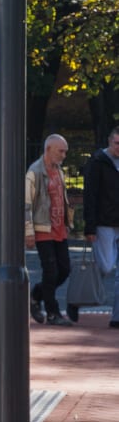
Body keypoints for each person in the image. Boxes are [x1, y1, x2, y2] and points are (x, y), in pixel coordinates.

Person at [25, 134, 74, 325]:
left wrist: (67, 224)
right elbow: (26, 205)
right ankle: (53, 313)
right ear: (48, 150)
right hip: (43, 228)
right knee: (51, 270)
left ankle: (36, 295)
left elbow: (62, 199)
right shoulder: (34, 172)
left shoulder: (59, 170)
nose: (63, 155)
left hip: (59, 229)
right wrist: (29, 232)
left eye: (65, 152)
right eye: (60, 151)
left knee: (64, 269)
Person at [83, 124, 119, 328]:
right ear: (110, 141)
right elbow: (90, 195)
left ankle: (117, 316)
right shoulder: (97, 162)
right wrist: (90, 226)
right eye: (117, 143)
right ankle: (78, 298)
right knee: (106, 266)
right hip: (105, 222)